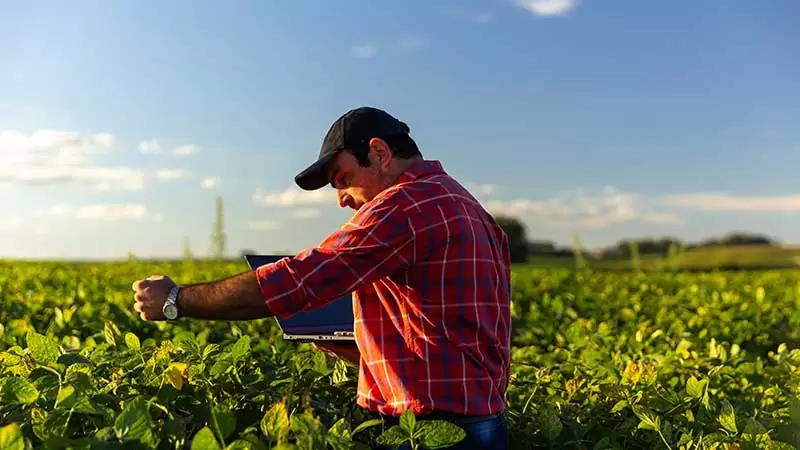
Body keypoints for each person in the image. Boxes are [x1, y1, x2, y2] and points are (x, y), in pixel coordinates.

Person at [131, 106, 512, 449]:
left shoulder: (406, 206)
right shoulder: (465, 205)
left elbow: (301, 281)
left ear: (379, 153)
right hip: (484, 423)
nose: (341, 198)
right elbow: (452, 328)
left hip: (433, 431)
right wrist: (366, 348)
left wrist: (175, 300)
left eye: (343, 178)